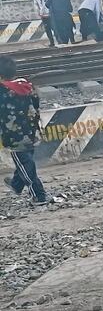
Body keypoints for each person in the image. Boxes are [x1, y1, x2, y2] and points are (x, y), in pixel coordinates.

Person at [0, 56, 48, 206]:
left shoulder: (3, 91)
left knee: (25, 163)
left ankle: (38, 195)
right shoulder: (27, 86)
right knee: (25, 160)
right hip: (32, 131)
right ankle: (16, 184)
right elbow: (36, 104)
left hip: (14, 135)